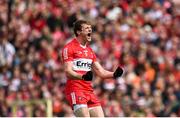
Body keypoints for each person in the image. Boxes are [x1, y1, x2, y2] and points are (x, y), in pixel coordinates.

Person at [61, 20, 123, 117]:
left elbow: (100, 71)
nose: (90, 30)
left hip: (89, 90)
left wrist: (114, 74)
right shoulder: (69, 48)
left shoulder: (90, 51)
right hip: (76, 89)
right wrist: (82, 77)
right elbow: (68, 72)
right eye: (86, 28)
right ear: (78, 32)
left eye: (90, 28)